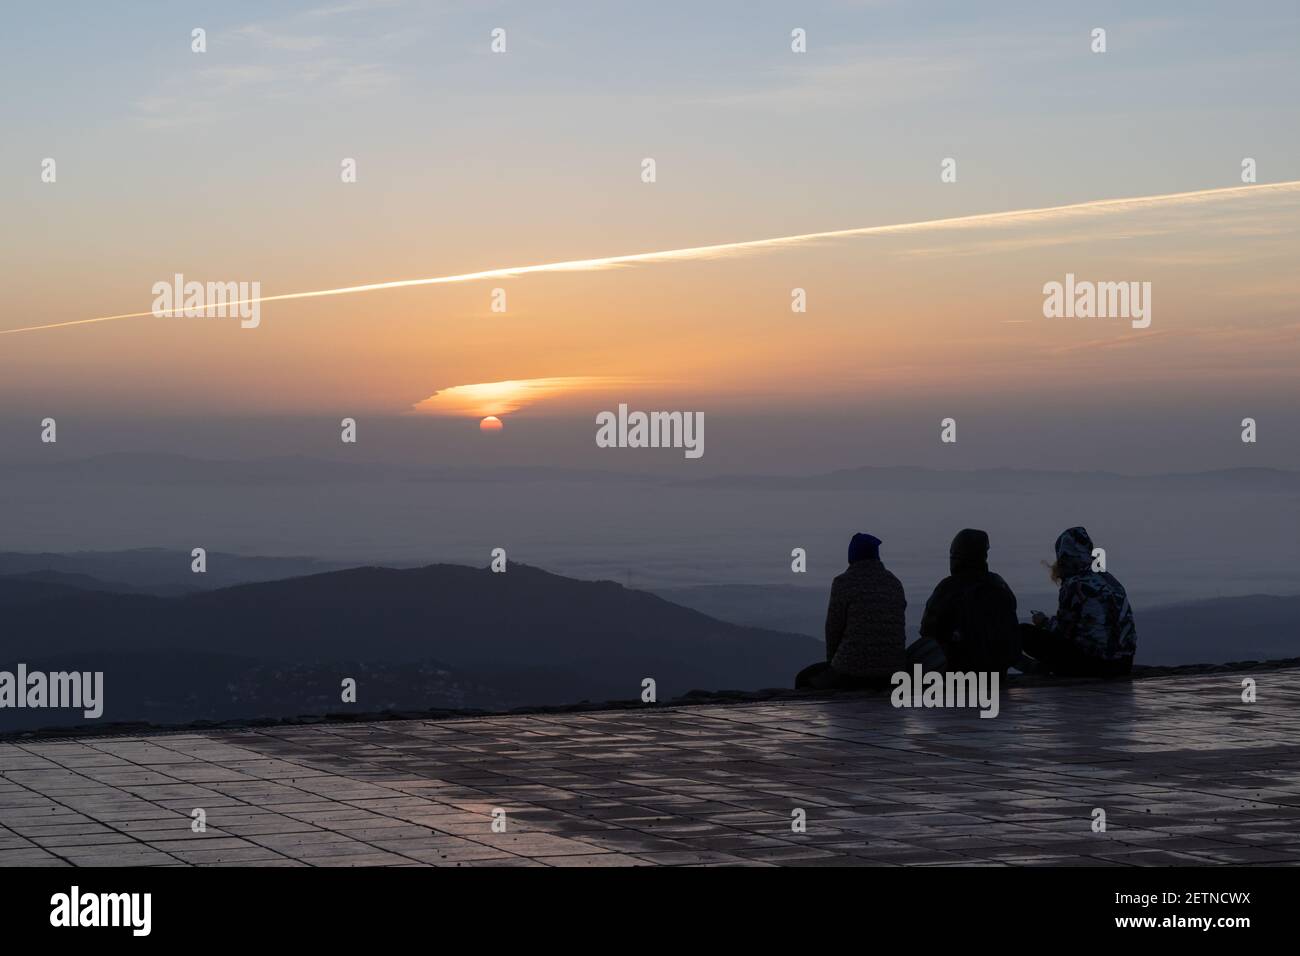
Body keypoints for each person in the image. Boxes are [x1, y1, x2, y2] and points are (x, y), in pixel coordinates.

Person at [1020, 526, 1137, 677]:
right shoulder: (1110, 580)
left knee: (1023, 632)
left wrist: (1043, 622)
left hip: (1095, 665)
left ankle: (1034, 669)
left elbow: (1064, 631)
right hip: (1124, 664)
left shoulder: (1075, 584)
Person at [796, 532, 906, 690]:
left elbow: (834, 629)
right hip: (893, 670)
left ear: (852, 556)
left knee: (804, 678)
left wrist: (831, 664)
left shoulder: (843, 583)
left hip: (852, 670)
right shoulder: (894, 583)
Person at [912, 529, 1021, 674]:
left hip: (960, 670)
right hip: (997, 671)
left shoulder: (948, 587)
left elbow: (927, 630)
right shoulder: (999, 583)